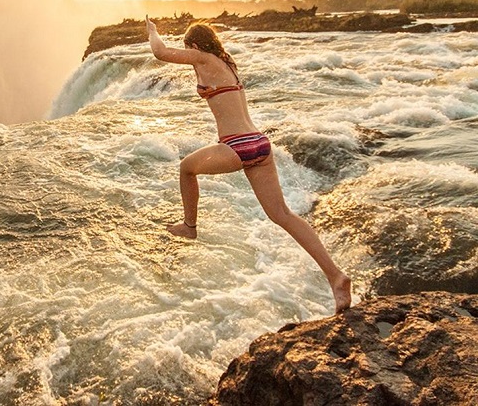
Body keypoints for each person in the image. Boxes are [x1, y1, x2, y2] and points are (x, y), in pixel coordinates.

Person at [145, 16, 352, 313]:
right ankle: (336, 277)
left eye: (188, 48)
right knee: (283, 214)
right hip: (260, 145)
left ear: (193, 45)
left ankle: (189, 226)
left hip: (237, 145)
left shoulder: (202, 58)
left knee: (186, 168)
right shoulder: (227, 63)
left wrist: (152, 32)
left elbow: (160, 52)